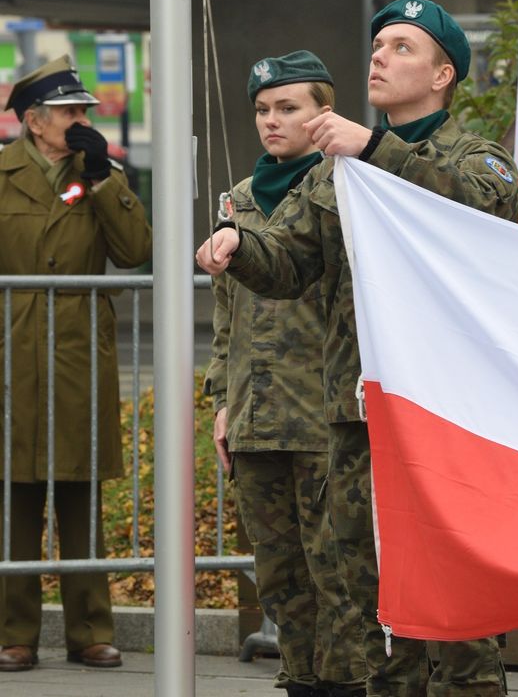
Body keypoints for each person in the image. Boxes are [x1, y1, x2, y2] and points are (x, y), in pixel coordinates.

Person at [196, 0, 518, 697]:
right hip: (358, 418)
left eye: (402, 47)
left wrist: (374, 148)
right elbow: (290, 262)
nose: (379, 55)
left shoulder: (472, 155)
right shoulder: (339, 167)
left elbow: (480, 206)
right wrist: (241, 247)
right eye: (377, 44)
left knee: (456, 608)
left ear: (443, 75)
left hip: (442, 417)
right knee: (371, 606)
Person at [202, 50, 366, 697]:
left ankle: (345, 684)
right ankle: (299, 680)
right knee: (279, 576)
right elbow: (225, 314)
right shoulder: (238, 199)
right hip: (255, 414)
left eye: (288, 108)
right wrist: (221, 399)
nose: (272, 121)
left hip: (321, 414)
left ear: (324, 112)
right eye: (263, 111)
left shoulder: (343, 186)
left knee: (337, 572)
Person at [0, 56, 152, 671]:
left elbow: (136, 250)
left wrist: (103, 177)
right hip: (11, 357)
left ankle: (91, 629)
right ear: (35, 122)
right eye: (70, 112)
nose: (81, 120)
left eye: (85, 111)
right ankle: (15, 634)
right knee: (13, 500)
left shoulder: (98, 176)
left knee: (80, 495)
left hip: (76, 357)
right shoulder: (3, 173)